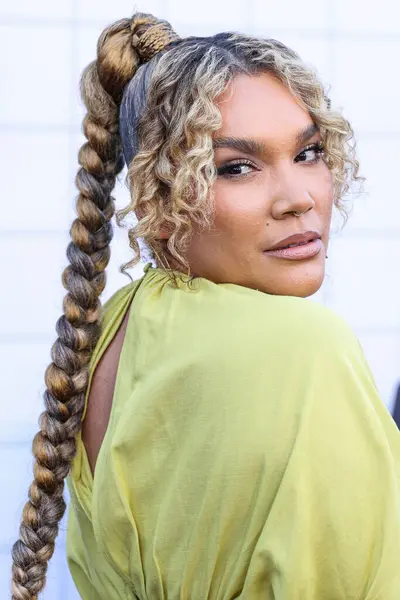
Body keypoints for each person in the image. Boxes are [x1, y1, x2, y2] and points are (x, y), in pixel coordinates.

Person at [11, 12, 400, 600]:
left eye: (309, 152)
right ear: (158, 199)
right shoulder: (306, 350)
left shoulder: (112, 325)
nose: (299, 198)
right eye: (237, 167)